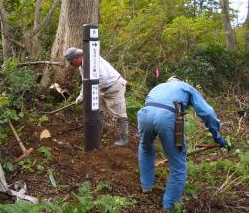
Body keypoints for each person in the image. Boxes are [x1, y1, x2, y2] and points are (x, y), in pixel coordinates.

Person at [137, 76, 228, 210]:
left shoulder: (158, 86)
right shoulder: (186, 87)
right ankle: (170, 206)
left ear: (168, 81)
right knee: (178, 165)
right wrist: (217, 136)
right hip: (167, 117)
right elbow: (207, 113)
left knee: (145, 148)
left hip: (145, 115)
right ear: (179, 81)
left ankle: (146, 186)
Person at [64, 47, 128, 146]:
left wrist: (91, 91)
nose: (71, 65)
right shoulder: (81, 67)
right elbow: (85, 81)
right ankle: (97, 133)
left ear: (77, 58)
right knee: (97, 110)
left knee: (120, 115)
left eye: (71, 62)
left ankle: (124, 139)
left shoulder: (92, 60)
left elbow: (104, 78)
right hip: (101, 88)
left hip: (114, 87)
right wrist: (81, 96)